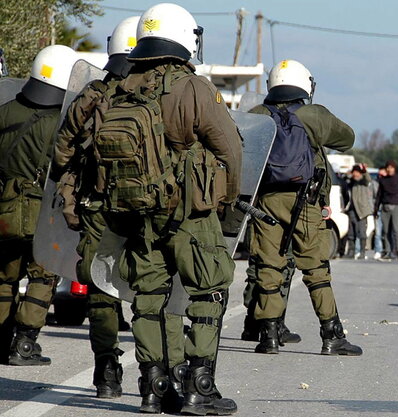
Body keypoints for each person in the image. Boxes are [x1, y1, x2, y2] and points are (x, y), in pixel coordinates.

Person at [95, 4, 242, 413]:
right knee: (208, 291)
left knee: (148, 297)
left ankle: (153, 387)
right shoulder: (193, 87)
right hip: (190, 214)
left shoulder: (123, 83)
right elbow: (230, 148)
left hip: (138, 212)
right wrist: (225, 201)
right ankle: (199, 386)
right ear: (184, 37)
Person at [51, 16, 185, 400]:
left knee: (100, 289)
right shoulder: (161, 92)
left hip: (97, 207)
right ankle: (152, 377)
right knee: (151, 290)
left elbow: (62, 151)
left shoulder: (93, 93)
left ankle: (106, 371)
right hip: (149, 208)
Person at [247, 59, 362, 359]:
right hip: (306, 202)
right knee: (316, 269)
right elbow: (347, 139)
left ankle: (269, 335)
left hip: (266, 201)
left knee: (268, 267)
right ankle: (331, 335)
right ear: (304, 84)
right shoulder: (313, 115)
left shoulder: (258, 114)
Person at [0, 45, 77, 367]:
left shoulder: (4, 111)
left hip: (4, 210)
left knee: (4, 275)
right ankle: (25, 344)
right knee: (43, 275)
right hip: (43, 214)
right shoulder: (62, 123)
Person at [375, 160, 398, 261]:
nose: (389, 169)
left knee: (396, 230)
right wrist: (376, 208)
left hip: (397, 206)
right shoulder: (383, 180)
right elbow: (379, 195)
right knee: (385, 231)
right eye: (388, 167)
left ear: (394, 168)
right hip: (385, 206)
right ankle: (387, 251)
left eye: (391, 167)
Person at [345, 165, 374, 260]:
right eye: (354, 172)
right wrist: (348, 173)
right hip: (352, 210)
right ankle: (351, 251)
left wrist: (364, 170)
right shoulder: (351, 182)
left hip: (362, 211)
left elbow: (368, 178)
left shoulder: (363, 182)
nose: (355, 174)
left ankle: (362, 252)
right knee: (351, 233)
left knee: (362, 233)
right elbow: (345, 178)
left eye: (357, 172)